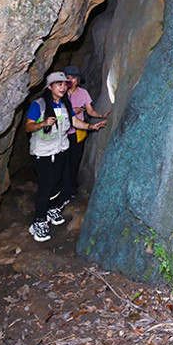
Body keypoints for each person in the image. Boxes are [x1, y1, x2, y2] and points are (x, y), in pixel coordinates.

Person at [25, 71, 106, 242]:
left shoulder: (65, 105)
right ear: (50, 87)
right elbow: (29, 127)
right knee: (46, 184)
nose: (63, 87)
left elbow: (74, 122)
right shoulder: (38, 105)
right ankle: (39, 221)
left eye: (64, 84)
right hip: (42, 152)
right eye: (59, 84)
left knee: (57, 183)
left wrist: (91, 127)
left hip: (60, 150)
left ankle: (51, 208)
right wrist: (43, 123)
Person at [63, 65, 111, 202]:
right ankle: (64, 188)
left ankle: (71, 188)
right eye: (68, 78)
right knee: (63, 162)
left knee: (73, 161)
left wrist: (100, 115)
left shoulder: (83, 93)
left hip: (78, 132)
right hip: (62, 133)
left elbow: (89, 111)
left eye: (73, 78)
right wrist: (72, 110)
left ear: (78, 80)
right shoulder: (60, 92)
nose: (71, 81)